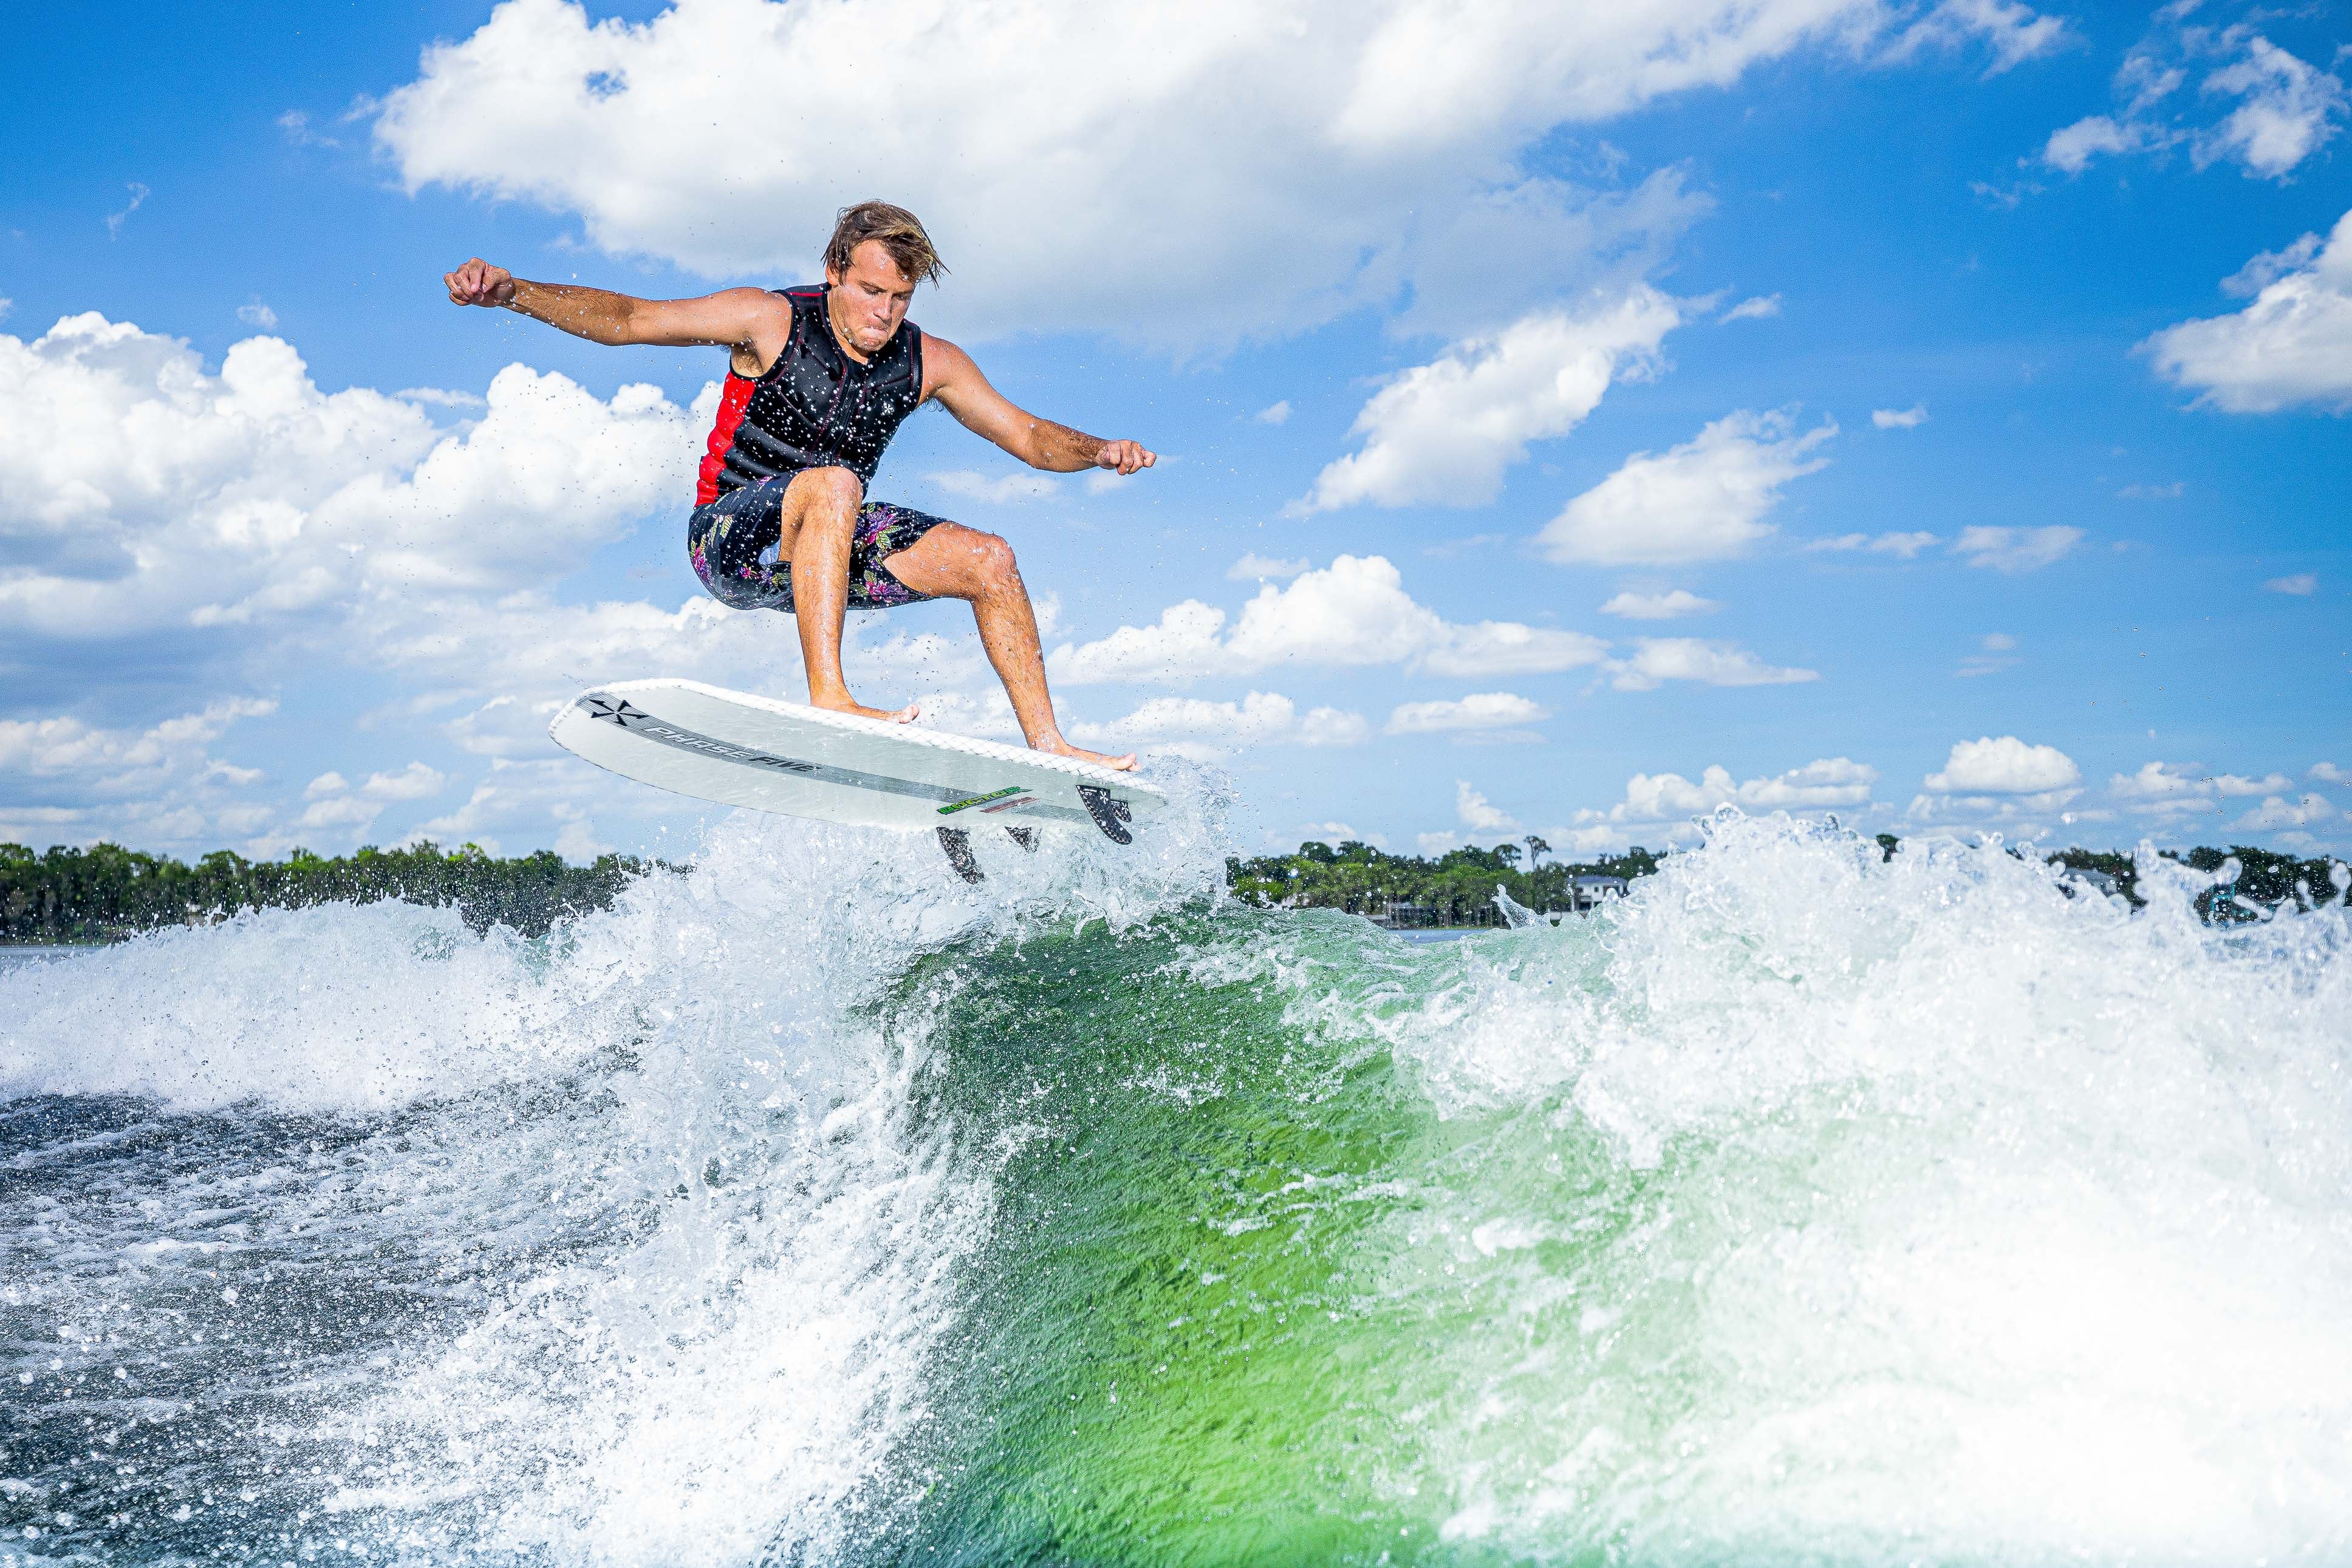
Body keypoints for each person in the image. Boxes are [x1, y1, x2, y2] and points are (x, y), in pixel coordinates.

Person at [443, 200, 1151, 771]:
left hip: (822, 555)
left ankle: (1049, 746)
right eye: (871, 291)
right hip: (729, 539)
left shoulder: (930, 360)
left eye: (899, 298)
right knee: (835, 484)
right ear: (835, 270)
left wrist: (1097, 450)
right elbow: (633, 320)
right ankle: (830, 695)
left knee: (989, 557)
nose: (884, 312)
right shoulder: (769, 318)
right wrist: (514, 293)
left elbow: (1027, 436)